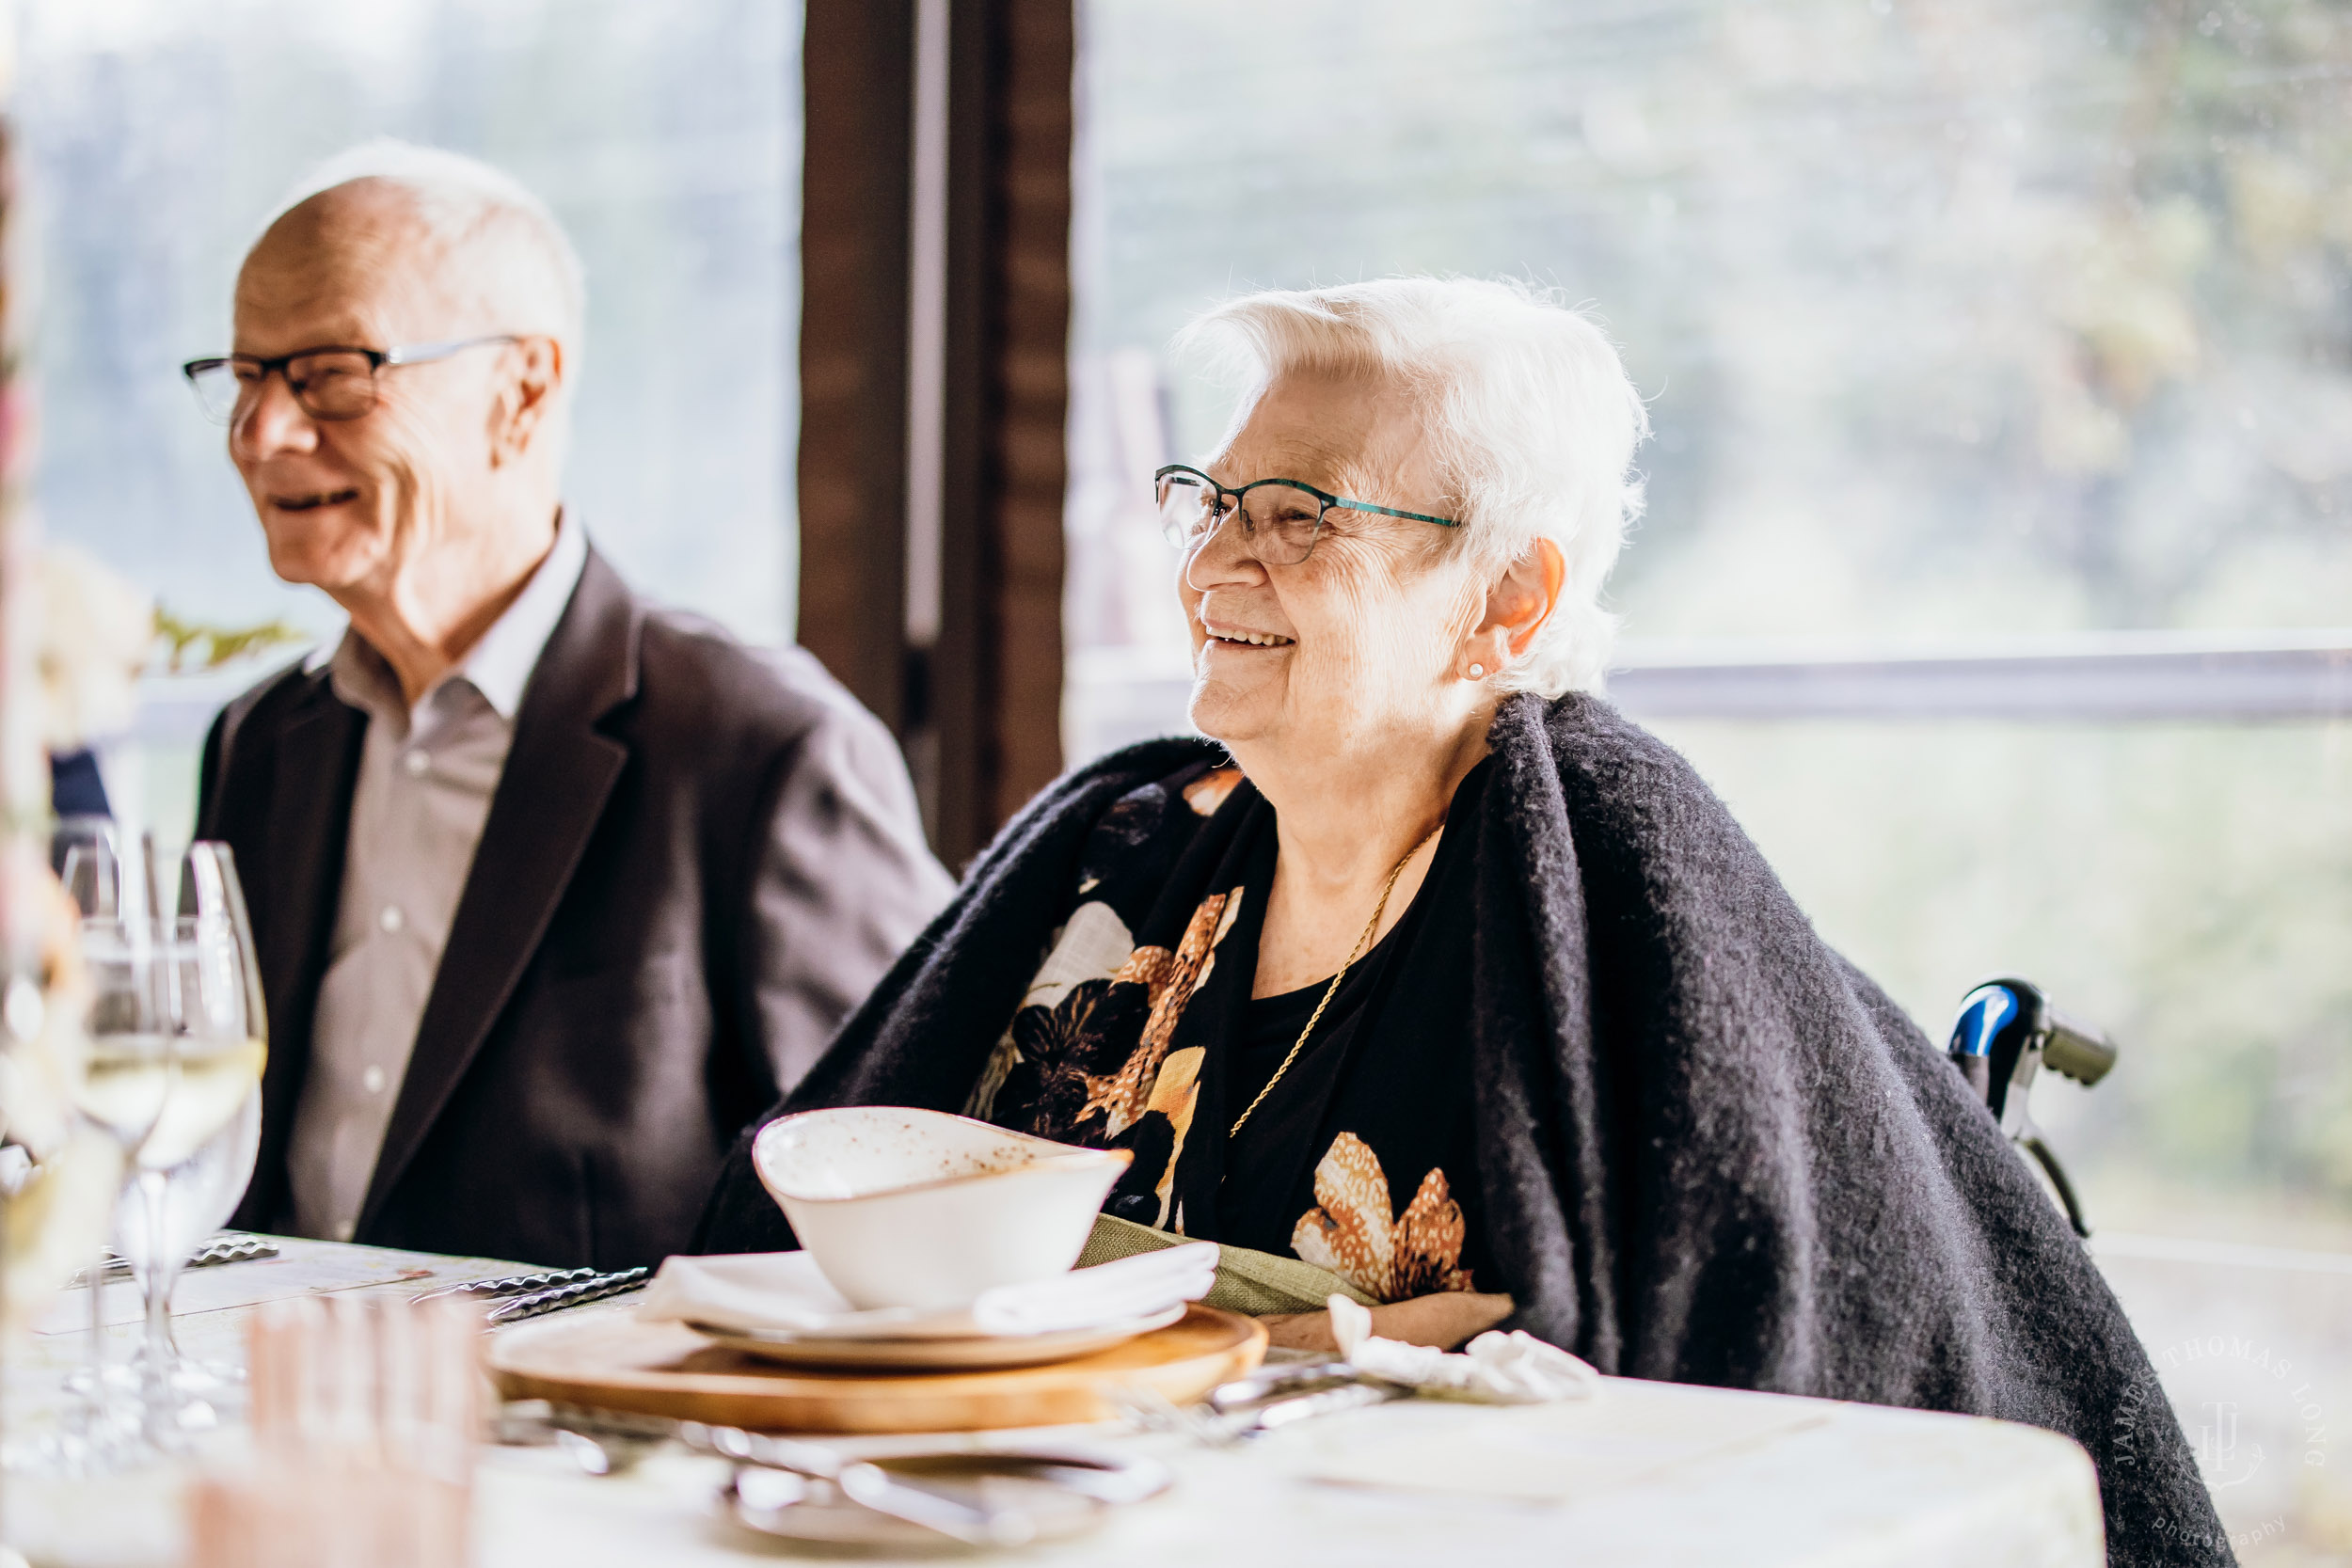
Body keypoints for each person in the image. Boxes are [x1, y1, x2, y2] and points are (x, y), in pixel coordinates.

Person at [698, 277, 2224, 1562]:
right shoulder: (1134, 848)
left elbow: (1683, 1402)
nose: (1218, 557)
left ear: (1505, 596)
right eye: (1209, 499)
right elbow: (800, 1219)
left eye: (1298, 516)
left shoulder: (1611, 857)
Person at [192, 142, 953, 1271]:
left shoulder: (760, 748)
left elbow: (917, 1204)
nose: (263, 435)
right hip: (286, 1411)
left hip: (620, 1430)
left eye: (331, 375)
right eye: (246, 376)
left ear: (523, 391)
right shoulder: (261, 744)